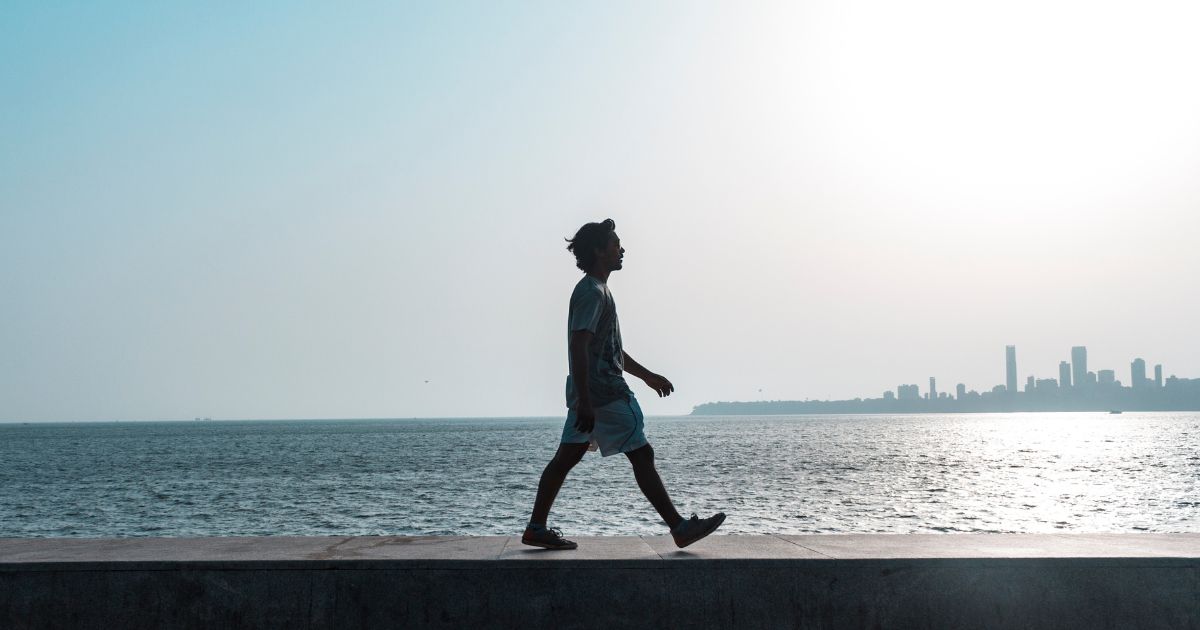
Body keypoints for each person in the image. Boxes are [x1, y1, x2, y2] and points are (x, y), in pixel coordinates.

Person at [522, 219, 725, 550]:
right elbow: (579, 345)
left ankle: (535, 528)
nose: (622, 249)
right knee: (642, 454)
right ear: (601, 251)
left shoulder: (597, 290)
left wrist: (646, 375)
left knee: (566, 458)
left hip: (591, 395)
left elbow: (608, 347)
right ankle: (678, 527)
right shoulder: (591, 292)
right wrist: (587, 401)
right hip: (604, 396)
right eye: (616, 244)